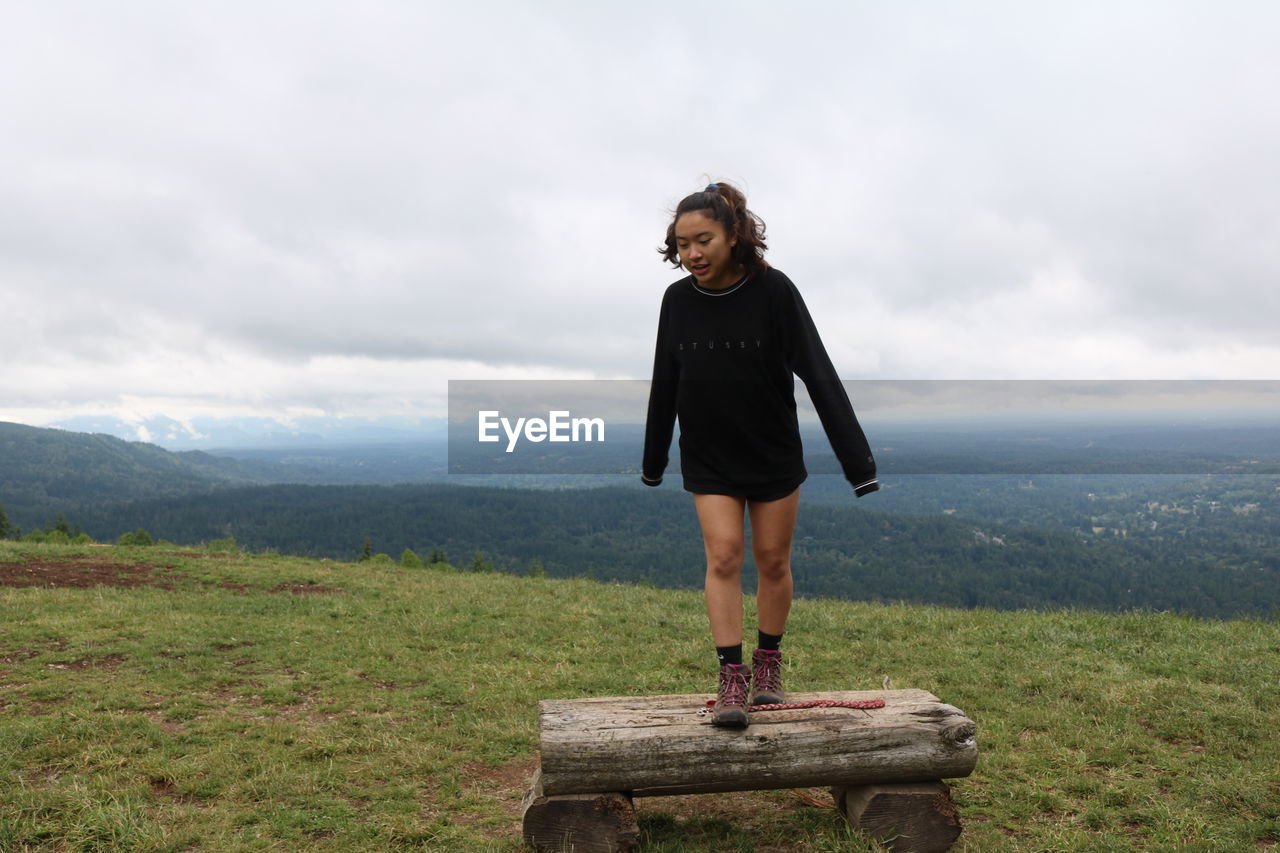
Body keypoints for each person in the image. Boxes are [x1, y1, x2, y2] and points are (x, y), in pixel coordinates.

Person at [641, 181, 878, 728]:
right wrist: (654, 459)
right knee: (723, 556)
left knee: (772, 560)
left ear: (733, 236)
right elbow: (665, 380)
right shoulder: (677, 301)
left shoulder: (775, 292)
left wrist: (858, 464)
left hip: (772, 451)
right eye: (682, 244)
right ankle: (731, 676)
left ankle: (768, 663)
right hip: (709, 454)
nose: (692, 254)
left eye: (703, 240)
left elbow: (818, 372)